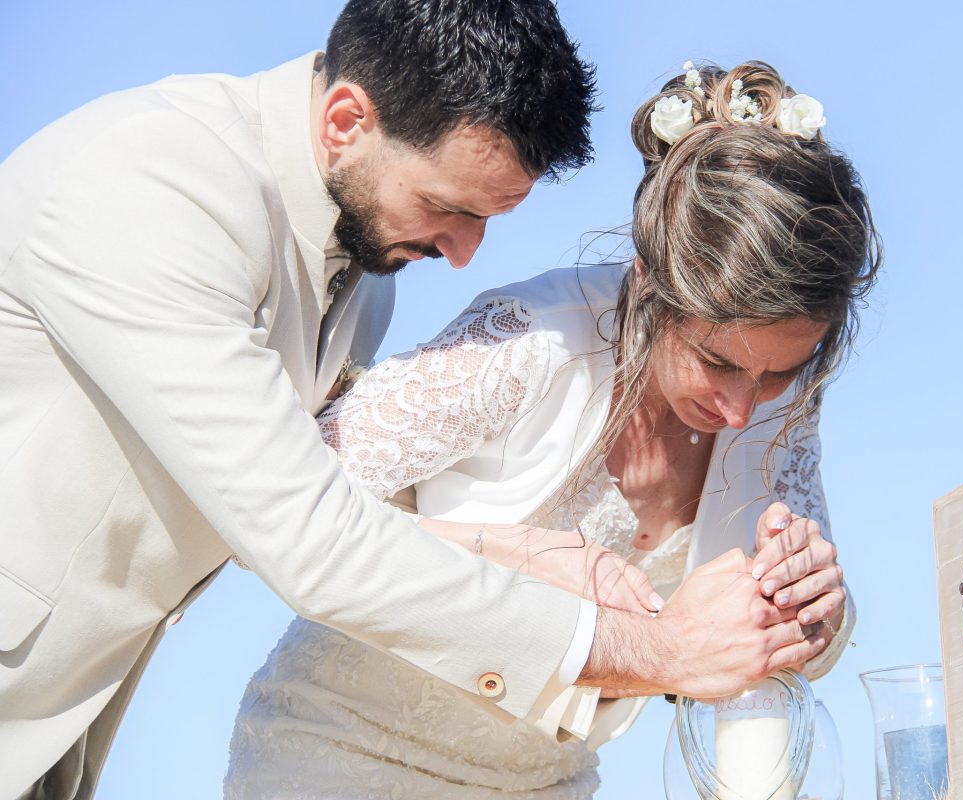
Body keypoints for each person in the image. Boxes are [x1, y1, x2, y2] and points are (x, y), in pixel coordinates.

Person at [0, 4, 817, 797]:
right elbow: (303, 532)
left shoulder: (366, 274)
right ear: (347, 119)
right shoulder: (153, 182)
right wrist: (647, 643)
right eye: (449, 208)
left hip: (66, 716)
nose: (463, 254)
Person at [225, 59, 880, 798]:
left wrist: (817, 611)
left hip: (548, 781)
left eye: (780, 372)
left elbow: (759, 648)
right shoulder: (528, 341)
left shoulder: (779, 405)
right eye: (715, 361)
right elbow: (277, 515)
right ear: (645, 283)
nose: (742, 408)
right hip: (347, 757)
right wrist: (520, 559)